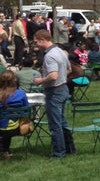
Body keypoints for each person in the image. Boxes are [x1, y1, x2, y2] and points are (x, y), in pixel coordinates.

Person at [32, 29, 75, 157]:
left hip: (54, 92)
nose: (35, 45)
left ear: (43, 40)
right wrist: (61, 77)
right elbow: (69, 69)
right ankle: (70, 149)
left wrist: (40, 81)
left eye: (36, 42)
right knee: (62, 122)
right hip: (63, 89)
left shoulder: (49, 56)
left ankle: (59, 153)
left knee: (55, 125)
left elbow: (53, 76)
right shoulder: (61, 51)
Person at [0, 71, 30, 159]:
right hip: (16, 128)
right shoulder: (21, 94)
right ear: (14, 80)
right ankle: (5, 150)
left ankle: (4, 150)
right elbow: (26, 108)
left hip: (2, 127)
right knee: (7, 127)